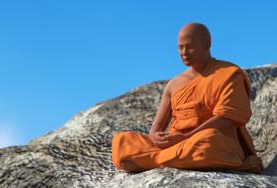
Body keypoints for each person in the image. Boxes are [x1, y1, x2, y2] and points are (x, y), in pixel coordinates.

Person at [112, 22, 263, 173]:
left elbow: (227, 118)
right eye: (180, 47)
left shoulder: (229, 74)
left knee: (207, 142)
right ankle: (166, 158)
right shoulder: (174, 84)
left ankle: (150, 160)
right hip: (176, 144)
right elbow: (156, 127)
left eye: (189, 47)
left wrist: (188, 137)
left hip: (209, 140)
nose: (184, 52)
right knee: (122, 141)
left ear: (206, 45)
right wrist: (156, 137)